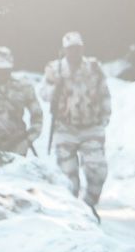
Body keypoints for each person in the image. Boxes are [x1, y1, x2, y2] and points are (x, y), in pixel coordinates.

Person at [42, 32, 111, 213]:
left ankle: (88, 204)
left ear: (83, 48)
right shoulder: (54, 69)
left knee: (98, 171)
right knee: (68, 176)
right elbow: (44, 93)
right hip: (65, 128)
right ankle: (75, 213)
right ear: (64, 50)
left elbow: (104, 93)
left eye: (77, 49)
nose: (74, 53)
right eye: (70, 49)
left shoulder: (94, 67)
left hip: (91, 127)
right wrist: (54, 88)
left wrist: (105, 117)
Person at [0, 47, 42, 156]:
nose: (3, 72)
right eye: (0, 68)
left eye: (6, 69)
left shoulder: (23, 87)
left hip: (15, 146)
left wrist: (29, 139)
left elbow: (37, 115)